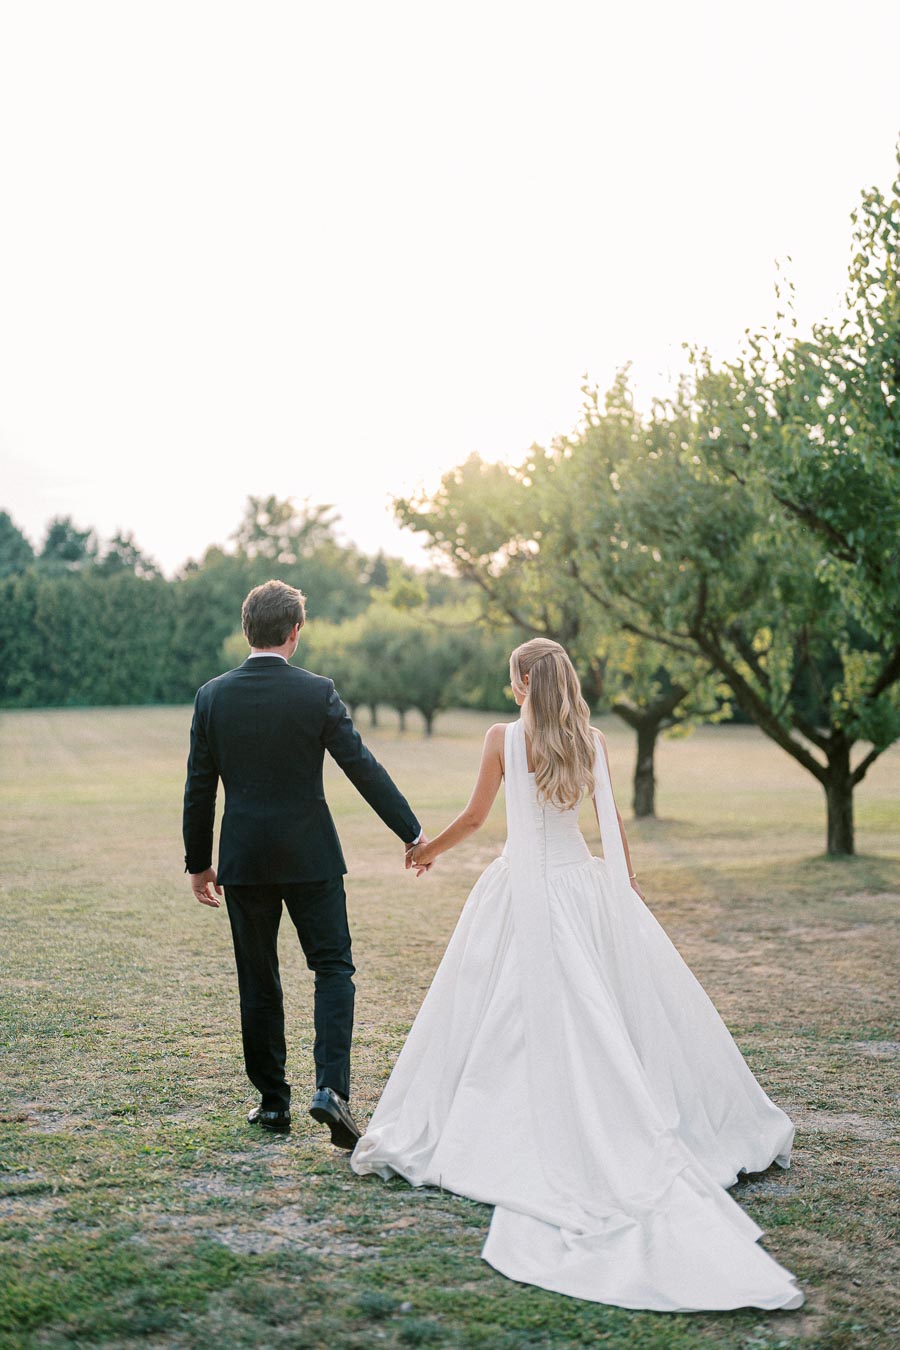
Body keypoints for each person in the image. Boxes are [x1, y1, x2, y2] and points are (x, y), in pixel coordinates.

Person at [351, 637, 804, 1312]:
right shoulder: (588, 740)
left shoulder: (503, 737)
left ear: (522, 684)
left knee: (512, 1010)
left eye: (513, 682)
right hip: (580, 887)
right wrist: (626, 890)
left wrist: (426, 850)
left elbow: (477, 817)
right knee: (597, 1007)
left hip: (522, 890)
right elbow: (609, 825)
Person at [182, 579, 427, 1147]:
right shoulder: (317, 692)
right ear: (296, 632)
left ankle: (273, 1104)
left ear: (248, 630)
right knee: (333, 968)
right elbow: (361, 766)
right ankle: (331, 1091)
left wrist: (199, 862)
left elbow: (200, 788)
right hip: (312, 855)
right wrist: (410, 831)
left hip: (243, 859)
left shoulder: (211, 696)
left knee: (259, 976)